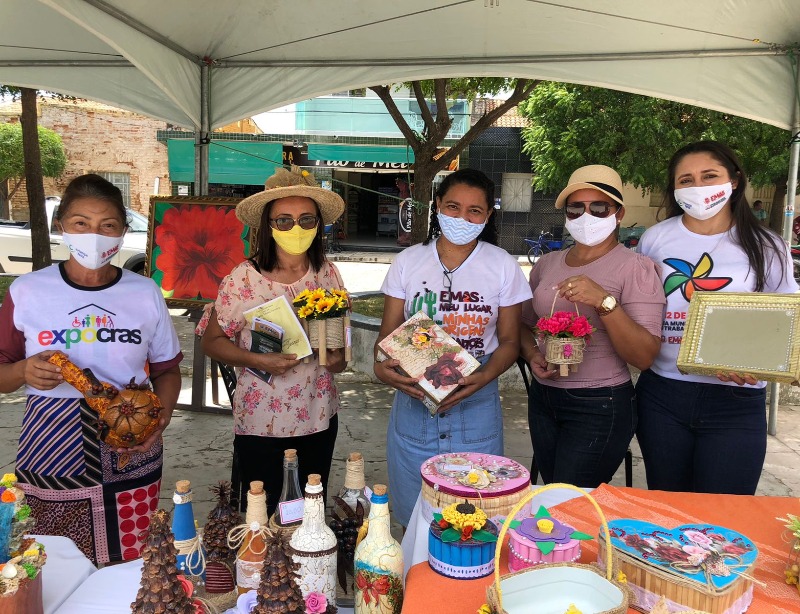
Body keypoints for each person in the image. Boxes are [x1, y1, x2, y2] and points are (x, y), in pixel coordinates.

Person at [0, 174, 182, 564]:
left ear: (123, 231)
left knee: (130, 558)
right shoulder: (27, 291)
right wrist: (23, 372)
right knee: (50, 560)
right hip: (51, 446)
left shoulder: (144, 292)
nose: (94, 236)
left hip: (129, 440)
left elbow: (167, 370)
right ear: (61, 225)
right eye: (81, 223)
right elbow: (2, 372)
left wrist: (160, 420)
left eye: (107, 225)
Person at [636, 141, 798, 495]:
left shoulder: (766, 245)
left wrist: (757, 362)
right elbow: (641, 309)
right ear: (674, 188)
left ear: (734, 181)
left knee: (725, 513)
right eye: (686, 180)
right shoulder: (655, 240)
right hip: (663, 394)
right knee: (667, 511)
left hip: (736, 400)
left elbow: (784, 319)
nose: (698, 186)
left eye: (709, 176)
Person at [374, 168, 531, 527]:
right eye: (453, 207)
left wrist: (485, 376)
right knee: (415, 520)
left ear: (488, 216)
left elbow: (510, 341)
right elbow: (386, 341)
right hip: (415, 404)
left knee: (475, 520)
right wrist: (383, 369)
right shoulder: (408, 262)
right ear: (437, 206)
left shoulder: (502, 265)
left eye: (475, 211)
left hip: (476, 404)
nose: (462, 218)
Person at [198, 166, 347, 515]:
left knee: (309, 510)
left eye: (306, 219)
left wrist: (336, 359)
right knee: (262, 511)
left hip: (318, 413)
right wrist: (258, 360)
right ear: (268, 226)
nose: (296, 228)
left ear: (318, 225)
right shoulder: (243, 279)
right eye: (284, 220)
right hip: (261, 419)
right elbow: (211, 341)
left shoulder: (328, 273)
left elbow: (340, 350)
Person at [520, 165, 665, 487]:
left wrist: (604, 302)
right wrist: (532, 355)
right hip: (544, 398)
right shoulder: (548, 264)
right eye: (576, 208)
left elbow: (643, 356)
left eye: (599, 208)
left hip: (600, 402)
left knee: (572, 499)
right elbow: (524, 324)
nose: (586, 216)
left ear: (619, 213)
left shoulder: (635, 268)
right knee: (552, 493)